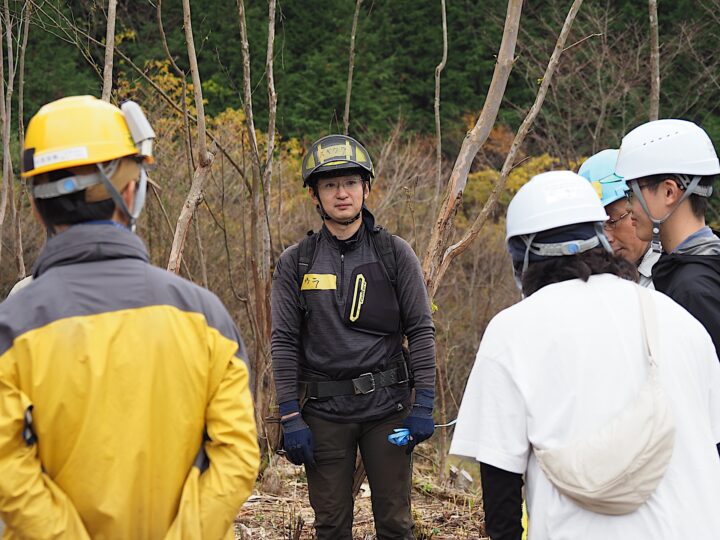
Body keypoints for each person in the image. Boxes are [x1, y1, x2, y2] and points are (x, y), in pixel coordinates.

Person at [0, 95, 259, 539]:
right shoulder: (205, 316)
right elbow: (235, 454)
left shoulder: (13, 326)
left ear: (39, 204)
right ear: (130, 190)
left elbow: (8, 466)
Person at [450, 171, 720, 540]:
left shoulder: (513, 330)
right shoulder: (679, 321)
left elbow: (501, 482)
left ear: (522, 256)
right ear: (601, 238)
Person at [271, 134, 436, 539]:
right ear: (315, 194)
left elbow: (421, 329)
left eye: (349, 182)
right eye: (330, 184)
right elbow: (284, 340)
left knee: (396, 524)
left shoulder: (395, 253)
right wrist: (291, 416)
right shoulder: (297, 262)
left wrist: (424, 406)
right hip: (323, 414)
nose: (341, 193)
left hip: (388, 411)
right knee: (330, 525)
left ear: (366, 188)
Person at [615, 118, 720, 354]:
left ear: (669, 192)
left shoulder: (693, 291)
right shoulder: (701, 267)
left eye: (632, 193)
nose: (629, 207)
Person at [578, 149, 659, 287]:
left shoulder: (671, 277)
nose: (606, 237)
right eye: (595, 227)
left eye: (612, 221)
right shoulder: (584, 281)